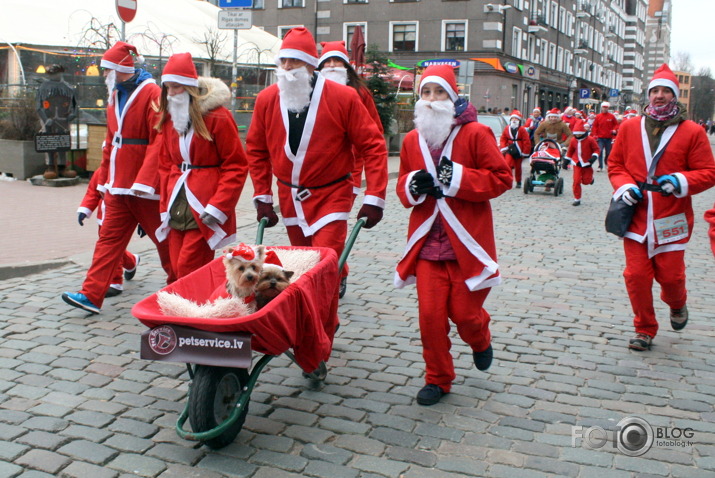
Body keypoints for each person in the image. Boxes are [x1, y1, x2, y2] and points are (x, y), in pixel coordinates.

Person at [394, 65, 512, 406]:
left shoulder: (476, 134)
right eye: (426, 93)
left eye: (439, 93)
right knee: (430, 320)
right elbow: (402, 186)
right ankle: (438, 379)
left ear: (453, 97)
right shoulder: (411, 139)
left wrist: (457, 177)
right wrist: (413, 185)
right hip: (428, 246)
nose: (432, 100)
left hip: (466, 246)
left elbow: (501, 178)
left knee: (465, 315)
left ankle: (480, 337)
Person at [245, 27, 388, 299]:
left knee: (323, 267)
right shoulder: (266, 99)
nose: (287, 67)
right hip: (289, 195)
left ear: (311, 64)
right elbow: (256, 149)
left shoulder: (344, 97)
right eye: (283, 60)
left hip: (331, 194)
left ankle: (322, 331)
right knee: (302, 264)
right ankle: (304, 321)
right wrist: (262, 195)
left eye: (295, 60)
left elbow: (373, 145)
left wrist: (375, 198)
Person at [62, 41, 175, 314]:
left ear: (120, 68)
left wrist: (146, 181)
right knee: (107, 241)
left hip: (145, 189)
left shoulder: (151, 92)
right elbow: (110, 140)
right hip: (117, 184)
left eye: (106, 69)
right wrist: (103, 181)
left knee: (165, 242)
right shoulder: (114, 95)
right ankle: (91, 295)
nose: (103, 75)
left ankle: (180, 288)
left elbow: (159, 139)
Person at [608, 63, 715, 351]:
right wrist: (625, 186)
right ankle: (644, 328)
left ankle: (678, 304)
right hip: (636, 214)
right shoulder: (630, 127)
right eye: (654, 90)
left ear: (674, 96)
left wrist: (681, 181)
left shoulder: (692, 131)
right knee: (636, 276)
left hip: (672, 215)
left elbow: (708, 172)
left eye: (665, 91)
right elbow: (615, 165)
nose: (658, 96)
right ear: (648, 95)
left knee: (671, 275)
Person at [131, 52, 249, 279]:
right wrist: (164, 202)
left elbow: (236, 165)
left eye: (177, 87)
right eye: (168, 87)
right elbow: (166, 164)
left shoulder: (218, 118)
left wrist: (219, 205)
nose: (172, 93)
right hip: (177, 202)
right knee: (175, 269)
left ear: (190, 87)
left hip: (204, 204)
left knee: (189, 268)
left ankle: (190, 310)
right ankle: (180, 310)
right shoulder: (168, 120)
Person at [316, 41, 384, 200]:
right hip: (317, 168)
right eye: (327, 61)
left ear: (345, 64)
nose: (332, 65)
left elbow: (375, 131)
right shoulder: (311, 91)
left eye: (337, 61)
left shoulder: (360, 93)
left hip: (350, 167)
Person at [77, 172, 140, 297]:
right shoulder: (101, 171)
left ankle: (115, 281)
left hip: (122, 215)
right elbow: (93, 192)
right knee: (110, 248)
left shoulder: (129, 169)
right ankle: (131, 261)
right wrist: (85, 209)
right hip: (104, 216)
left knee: (110, 250)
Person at [36, 64, 78, 179]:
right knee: (49, 141)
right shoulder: (43, 87)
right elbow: (39, 106)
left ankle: (62, 166)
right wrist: (45, 119)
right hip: (49, 119)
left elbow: (74, 105)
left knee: (62, 141)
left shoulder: (68, 88)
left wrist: (72, 115)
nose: (56, 76)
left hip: (63, 119)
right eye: (53, 74)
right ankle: (50, 166)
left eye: (57, 73)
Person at [564, 120, 599, 206]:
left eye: (579, 134)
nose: (577, 136)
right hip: (577, 163)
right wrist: (566, 160)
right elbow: (570, 151)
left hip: (587, 163)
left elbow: (597, 149)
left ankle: (590, 179)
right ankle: (577, 199)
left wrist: (594, 157)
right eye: (576, 134)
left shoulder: (590, 139)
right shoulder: (573, 140)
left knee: (586, 181)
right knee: (576, 181)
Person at [499, 109, 531, 188]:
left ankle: (518, 181)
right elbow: (503, 138)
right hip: (510, 149)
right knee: (507, 164)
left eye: (516, 119)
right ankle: (507, 180)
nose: (514, 120)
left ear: (519, 120)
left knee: (518, 167)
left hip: (519, 150)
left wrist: (525, 152)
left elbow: (526, 141)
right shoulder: (507, 128)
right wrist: (503, 147)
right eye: (513, 119)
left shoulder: (522, 129)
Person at [591, 101, 619, 172]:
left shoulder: (611, 116)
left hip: (609, 137)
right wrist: (595, 135)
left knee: (608, 152)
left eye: (606, 108)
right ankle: (600, 166)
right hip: (600, 137)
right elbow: (595, 126)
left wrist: (614, 130)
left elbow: (616, 125)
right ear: (601, 108)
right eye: (603, 107)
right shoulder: (598, 116)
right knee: (599, 151)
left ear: (608, 108)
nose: (605, 109)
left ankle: (606, 163)